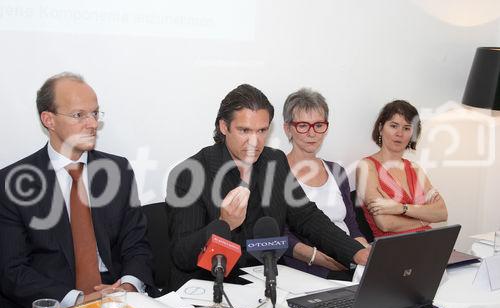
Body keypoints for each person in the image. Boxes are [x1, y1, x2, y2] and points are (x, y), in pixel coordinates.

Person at [166, 84, 369, 290]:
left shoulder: (274, 161)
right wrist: (224, 223)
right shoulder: (190, 173)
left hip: (270, 282)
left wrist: (356, 252)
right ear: (224, 127)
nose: (254, 141)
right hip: (211, 287)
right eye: (244, 130)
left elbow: (307, 216)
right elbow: (182, 255)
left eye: (262, 130)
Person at [0, 72, 155, 308]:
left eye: (95, 113)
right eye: (79, 115)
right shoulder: (12, 183)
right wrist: (79, 300)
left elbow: (137, 245)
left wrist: (127, 288)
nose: (92, 123)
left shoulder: (117, 171)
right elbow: (12, 271)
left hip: (116, 299)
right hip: (54, 306)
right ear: (48, 119)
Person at [282, 88, 369, 279]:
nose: (312, 133)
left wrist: (364, 251)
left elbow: (351, 225)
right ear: (288, 128)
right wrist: (318, 257)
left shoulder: (336, 171)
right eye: (303, 125)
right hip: (309, 269)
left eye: (319, 125)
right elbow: (281, 236)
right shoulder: (279, 173)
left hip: (350, 259)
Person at [355, 100, 448, 238]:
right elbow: (385, 223)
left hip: (428, 242)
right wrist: (424, 218)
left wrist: (400, 208)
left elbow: (442, 213)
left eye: (406, 128)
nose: (400, 133)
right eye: (394, 126)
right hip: (393, 249)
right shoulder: (367, 166)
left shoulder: (415, 168)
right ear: (381, 128)